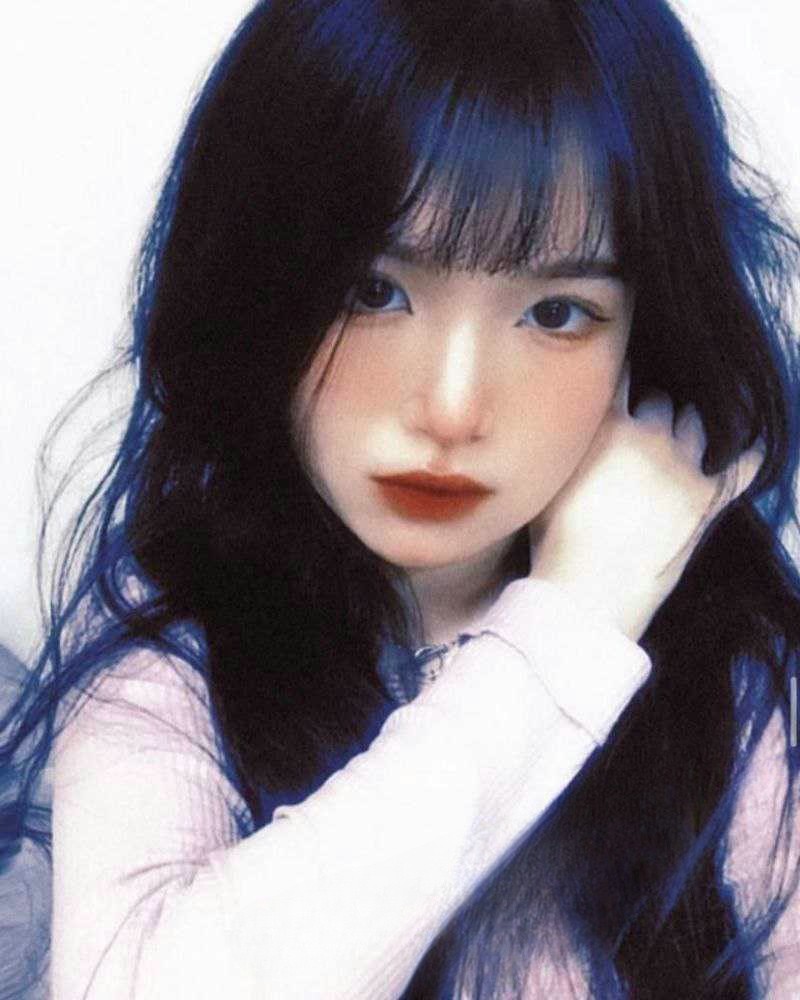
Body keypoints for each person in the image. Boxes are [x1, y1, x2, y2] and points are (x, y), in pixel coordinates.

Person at [2, 0, 800, 996]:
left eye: (557, 312)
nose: (452, 408)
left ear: (643, 335)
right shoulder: (167, 645)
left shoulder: (731, 671)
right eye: (373, 292)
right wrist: (569, 628)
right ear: (256, 285)